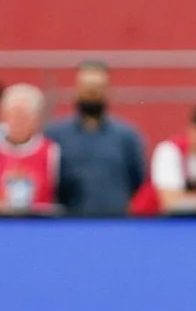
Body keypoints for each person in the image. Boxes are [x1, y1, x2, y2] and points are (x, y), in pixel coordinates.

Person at [45, 61, 146, 216]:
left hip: (115, 225)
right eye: (87, 87)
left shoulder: (127, 137)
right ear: (77, 89)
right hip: (68, 226)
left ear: (108, 90)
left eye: (98, 87)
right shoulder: (55, 136)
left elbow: (138, 182)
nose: (92, 93)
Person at [0, 83, 70, 215]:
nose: (17, 121)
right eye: (13, 115)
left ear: (36, 120)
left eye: (23, 116)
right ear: (4, 116)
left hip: (39, 229)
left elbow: (64, 198)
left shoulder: (51, 152)